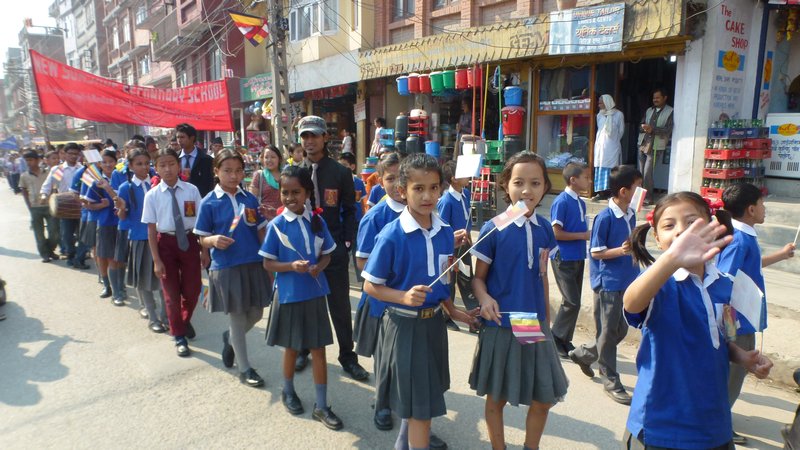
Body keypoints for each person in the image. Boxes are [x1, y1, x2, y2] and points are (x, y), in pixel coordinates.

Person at [623, 191, 773, 450]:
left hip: (714, 425)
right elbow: (631, 302)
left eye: (692, 222)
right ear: (658, 239)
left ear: (712, 229)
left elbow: (722, 335)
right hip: (662, 426)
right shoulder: (658, 283)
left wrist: (741, 357)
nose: (682, 231)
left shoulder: (724, 284)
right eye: (670, 226)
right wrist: (671, 259)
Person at [363, 153, 477, 450]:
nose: (427, 196)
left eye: (434, 188)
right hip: (403, 328)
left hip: (433, 327)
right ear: (403, 191)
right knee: (420, 409)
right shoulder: (391, 235)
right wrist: (403, 296)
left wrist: (455, 311)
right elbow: (370, 285)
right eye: (418, 188)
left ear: (441, 188)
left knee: (422, 399)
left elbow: (443, 281)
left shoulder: (444, 232)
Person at [470, 151, 568, 450]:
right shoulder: (494, 227)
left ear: (544, 188)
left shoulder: (544, 231)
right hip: (501, 322)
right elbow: (477, 278)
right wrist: (484, 298)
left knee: (543, 398)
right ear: (506, 185)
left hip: (531, 322)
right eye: (519, 182)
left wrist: (546, 318)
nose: (527, 190)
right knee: (497, 397)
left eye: (535, 183)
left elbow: (543, 276)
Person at [260, 165, 343, 430]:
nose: (290, 197)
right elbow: (268, 265)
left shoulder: (316, 221)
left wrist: (321, 265)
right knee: (292, 348)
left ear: (308, 193)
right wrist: (290, 267)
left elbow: (328, 252)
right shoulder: (277, 226)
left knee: (319, 349)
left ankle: (321, 405)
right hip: (290, 295)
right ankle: (287, 390)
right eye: (285, 192)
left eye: (296, 192)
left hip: (315, 293)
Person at [717, 182, 796, 445]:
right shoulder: (739, 239)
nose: (765, 209)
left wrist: (781, 255)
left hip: (744, 318)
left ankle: (719, 415)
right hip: (737, 321)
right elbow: (725, 279)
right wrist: (729, 327)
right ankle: (719, 421)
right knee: (732, 373)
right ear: (751, 209)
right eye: (762, 205)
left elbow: (751, 267)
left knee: (734, 373)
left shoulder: (744, 234)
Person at [296, 115, 367, 381]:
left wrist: (345, 243)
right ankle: (303, 350)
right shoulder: (297, 172)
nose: (309, 141)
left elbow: (350, 210)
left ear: (325, 137)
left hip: (333, 250)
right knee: (307, 305)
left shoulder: (340, 173)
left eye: (314, 135)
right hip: (304, 252)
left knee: (339, 307)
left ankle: (348, 356)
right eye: (305, 136)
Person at [195, 149, 272, 388]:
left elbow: (260, 230)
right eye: (227, 170)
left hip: (253, 262)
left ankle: (229, 339)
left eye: (238, 170)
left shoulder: (248, 199)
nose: (233, 175)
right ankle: (245, 368)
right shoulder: (209, 202)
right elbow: (201, 238)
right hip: (226, 266)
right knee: (238, 317)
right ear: (216, 172)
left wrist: (269, 263)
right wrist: (213, 241)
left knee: (256, 313)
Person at [569, 165, 642, 405]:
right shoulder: (605, 217)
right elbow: (596, 252)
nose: (641, 191)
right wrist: (620, 250)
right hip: (608, 283)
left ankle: (584, 354)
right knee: (609, 332)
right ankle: (610, 379)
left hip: (628, 280)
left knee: (618, 330)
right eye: (636, 187)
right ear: (623, 191)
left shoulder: (630, 213)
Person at [353, 152, 404, 432]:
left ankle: (406, 408)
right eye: (390, 178)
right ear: (379, 182)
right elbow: (361, 261)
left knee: (402, 356)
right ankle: (381, 403)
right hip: (380, 298)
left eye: (401, 176)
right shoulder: (375, 216)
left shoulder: (420, 211)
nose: (397, 184)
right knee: (383, 356)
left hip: (409, 300)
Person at [142, 148, 206, 357]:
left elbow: (202, 222)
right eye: (162, 165)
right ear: (156, 168)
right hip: (165, 244)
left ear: (179, 165)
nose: (168, 169)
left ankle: (183, 321)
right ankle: (179, 335)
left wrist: (204, 250)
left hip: (189, 240)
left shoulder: (191, 190)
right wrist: (156, 260)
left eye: (171, 163)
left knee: (193, 290)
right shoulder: (152, 196)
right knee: (171, 294)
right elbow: (151, 229)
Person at [116, 148, 167, 333]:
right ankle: (153, 317)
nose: (144, 167)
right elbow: (122, 217)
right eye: (139, 164)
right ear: (130, 166)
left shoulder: (158, 184)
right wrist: (121, 208)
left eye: (147, 163)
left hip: (160, 237)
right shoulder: (126, 188)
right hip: (139, 238)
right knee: (144, 282)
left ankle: (165, 315)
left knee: (163, 280)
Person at [549, 162, 592, 358]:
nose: (589, 181)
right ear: (573, 180)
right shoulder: (562, 201)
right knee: (571, 301)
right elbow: (556, 233)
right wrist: (583, 235)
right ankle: (556, 337)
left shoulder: (581, 202)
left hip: (577, 256)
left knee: (574, 301)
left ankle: (565, 339)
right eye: (585, 177)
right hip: (563, 256)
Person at [437, 160, 478, 332]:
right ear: (453, 178)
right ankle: (446, 316)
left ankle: (474, 318)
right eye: (464, 174)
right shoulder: (446, 201)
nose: (468, 176)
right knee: (449, 282)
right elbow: (443, 226)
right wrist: (449, 248)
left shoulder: (466, 194)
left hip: (465, 246)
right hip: (451, 248)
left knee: (468, 280)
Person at [85, 149, 126, 305]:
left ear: (116, 162)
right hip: (105, 224)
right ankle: (112, 289)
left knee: (120, 258)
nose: (108, 164)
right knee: (107, 257)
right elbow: (86, 203)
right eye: (104, 162)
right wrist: (101, 205)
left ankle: (120, 287)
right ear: (99, 164)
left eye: (111, 161)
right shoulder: (95, 180)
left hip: (121, 224)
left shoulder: (121, 176)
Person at [41, 143, 81, 264]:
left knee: (82, 234)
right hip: (65, 206)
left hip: (81, 205)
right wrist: (44, 195)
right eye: (70, 154)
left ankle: (80, 256)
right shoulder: (59, 170)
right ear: (64, 154)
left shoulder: (82, 169)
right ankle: (70, 254)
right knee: (67, 234)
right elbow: (49, 184)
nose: (73, 156)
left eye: (76, 154)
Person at [19, 150, 59, 262]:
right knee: (39, 233)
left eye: (31, 160)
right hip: (35, 208)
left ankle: (50, 250)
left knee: (54, 232)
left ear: (37, 160)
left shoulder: (47, 173)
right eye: (26, 160)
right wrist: (29, 206)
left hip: (50, 206)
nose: (28, 162)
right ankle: (45, 254)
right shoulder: (24, 176)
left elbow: (54, 186)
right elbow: (24, 191)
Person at [637, 88, 674, 205]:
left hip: (656, 145)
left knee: (647, 172)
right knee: (640, 172)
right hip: (643, 144)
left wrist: (653, 129)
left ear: (665, 98)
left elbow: (668, 129)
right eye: (654, 98)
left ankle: (648, 198)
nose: (655, 100)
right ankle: (640, 198)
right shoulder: (649, 110)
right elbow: (640, 125)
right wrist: (643, 127)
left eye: (658, 98)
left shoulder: (670, 111)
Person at [338, 152, 366, 283]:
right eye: (340, 165)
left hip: (356, 221)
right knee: (342, 252)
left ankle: (361, 279)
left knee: (357, 250)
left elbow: (363, 203)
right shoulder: (336, 182)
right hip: (341, 221)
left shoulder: (359, 182)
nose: (342, 168)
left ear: (353, 166)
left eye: (345, 165)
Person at [592, 94, 624, 201]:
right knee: (601, 167)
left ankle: (612, 192)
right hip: (601, 147)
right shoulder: (599, 115)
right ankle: (601, 193)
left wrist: (612, 141)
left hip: (612, 147)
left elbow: (621, 131)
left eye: (601, 102)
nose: (599, 104)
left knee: (612, 169)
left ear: (607, 102)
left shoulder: (618, 114)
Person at [176, 123, 215, 198]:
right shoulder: (174, 158)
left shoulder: (206, 160)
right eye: (177, 137)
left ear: (192, 138)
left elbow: (209, 184)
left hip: (200, 199)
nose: (179, 140)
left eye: (182, 137)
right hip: (179, 199)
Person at [248, 145, 283, 222]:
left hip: (283, 218)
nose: (269, 160)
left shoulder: (285, 175)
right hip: (265, 220)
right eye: (266, 157)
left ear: (279, 159)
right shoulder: (259, 175)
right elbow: (252, 200)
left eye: (273, 157)